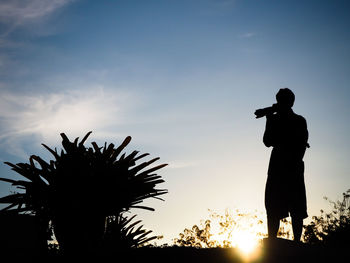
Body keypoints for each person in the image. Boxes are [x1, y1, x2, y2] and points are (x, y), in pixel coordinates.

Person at [262, 88, 309, 242]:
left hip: (290, 166)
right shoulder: (277, 119)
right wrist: (269, 118)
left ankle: (296, 242)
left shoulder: (299, 120)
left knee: (296, 206)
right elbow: (267, 141)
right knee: (273, 204)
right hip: (280, 167)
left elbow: (300, 144)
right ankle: (272, 240)